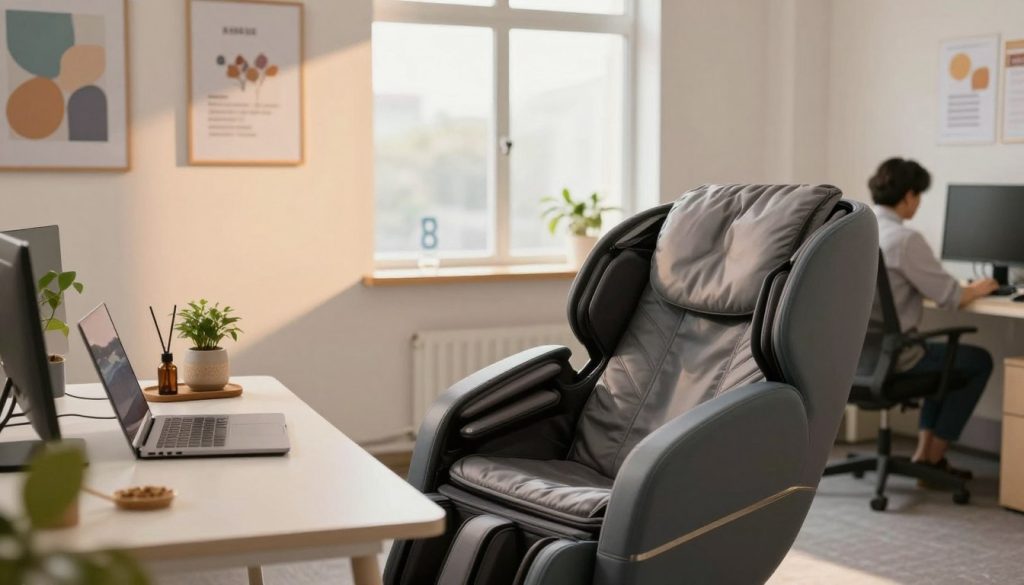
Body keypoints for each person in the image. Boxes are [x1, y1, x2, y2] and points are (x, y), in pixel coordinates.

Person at [869, 157, 997, 478]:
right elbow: (951, 296)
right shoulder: (905, 240)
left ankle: (924, 454)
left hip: (857, 360)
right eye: (919, 197)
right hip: (896, 358)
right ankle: (934, 458)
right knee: (977, 361)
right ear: (909, 196)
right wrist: (982, 287)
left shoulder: (857, 231)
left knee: (947, 359)